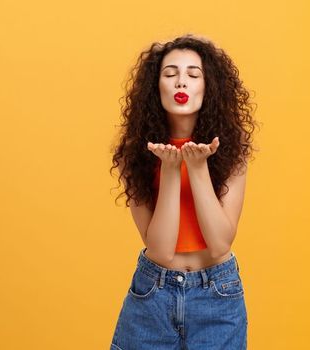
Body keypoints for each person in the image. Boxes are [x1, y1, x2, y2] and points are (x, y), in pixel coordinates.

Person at [108, 33, 259, 349]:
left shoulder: (232, 152)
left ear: (210, 87)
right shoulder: (134, 154)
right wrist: (171, 170)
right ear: (155, 88)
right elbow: (161, 251)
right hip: (153, 297)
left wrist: (198, 168)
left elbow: (219, 244)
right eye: (170, 74)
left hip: (218, 297)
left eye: (193, 75)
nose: (181, 83)